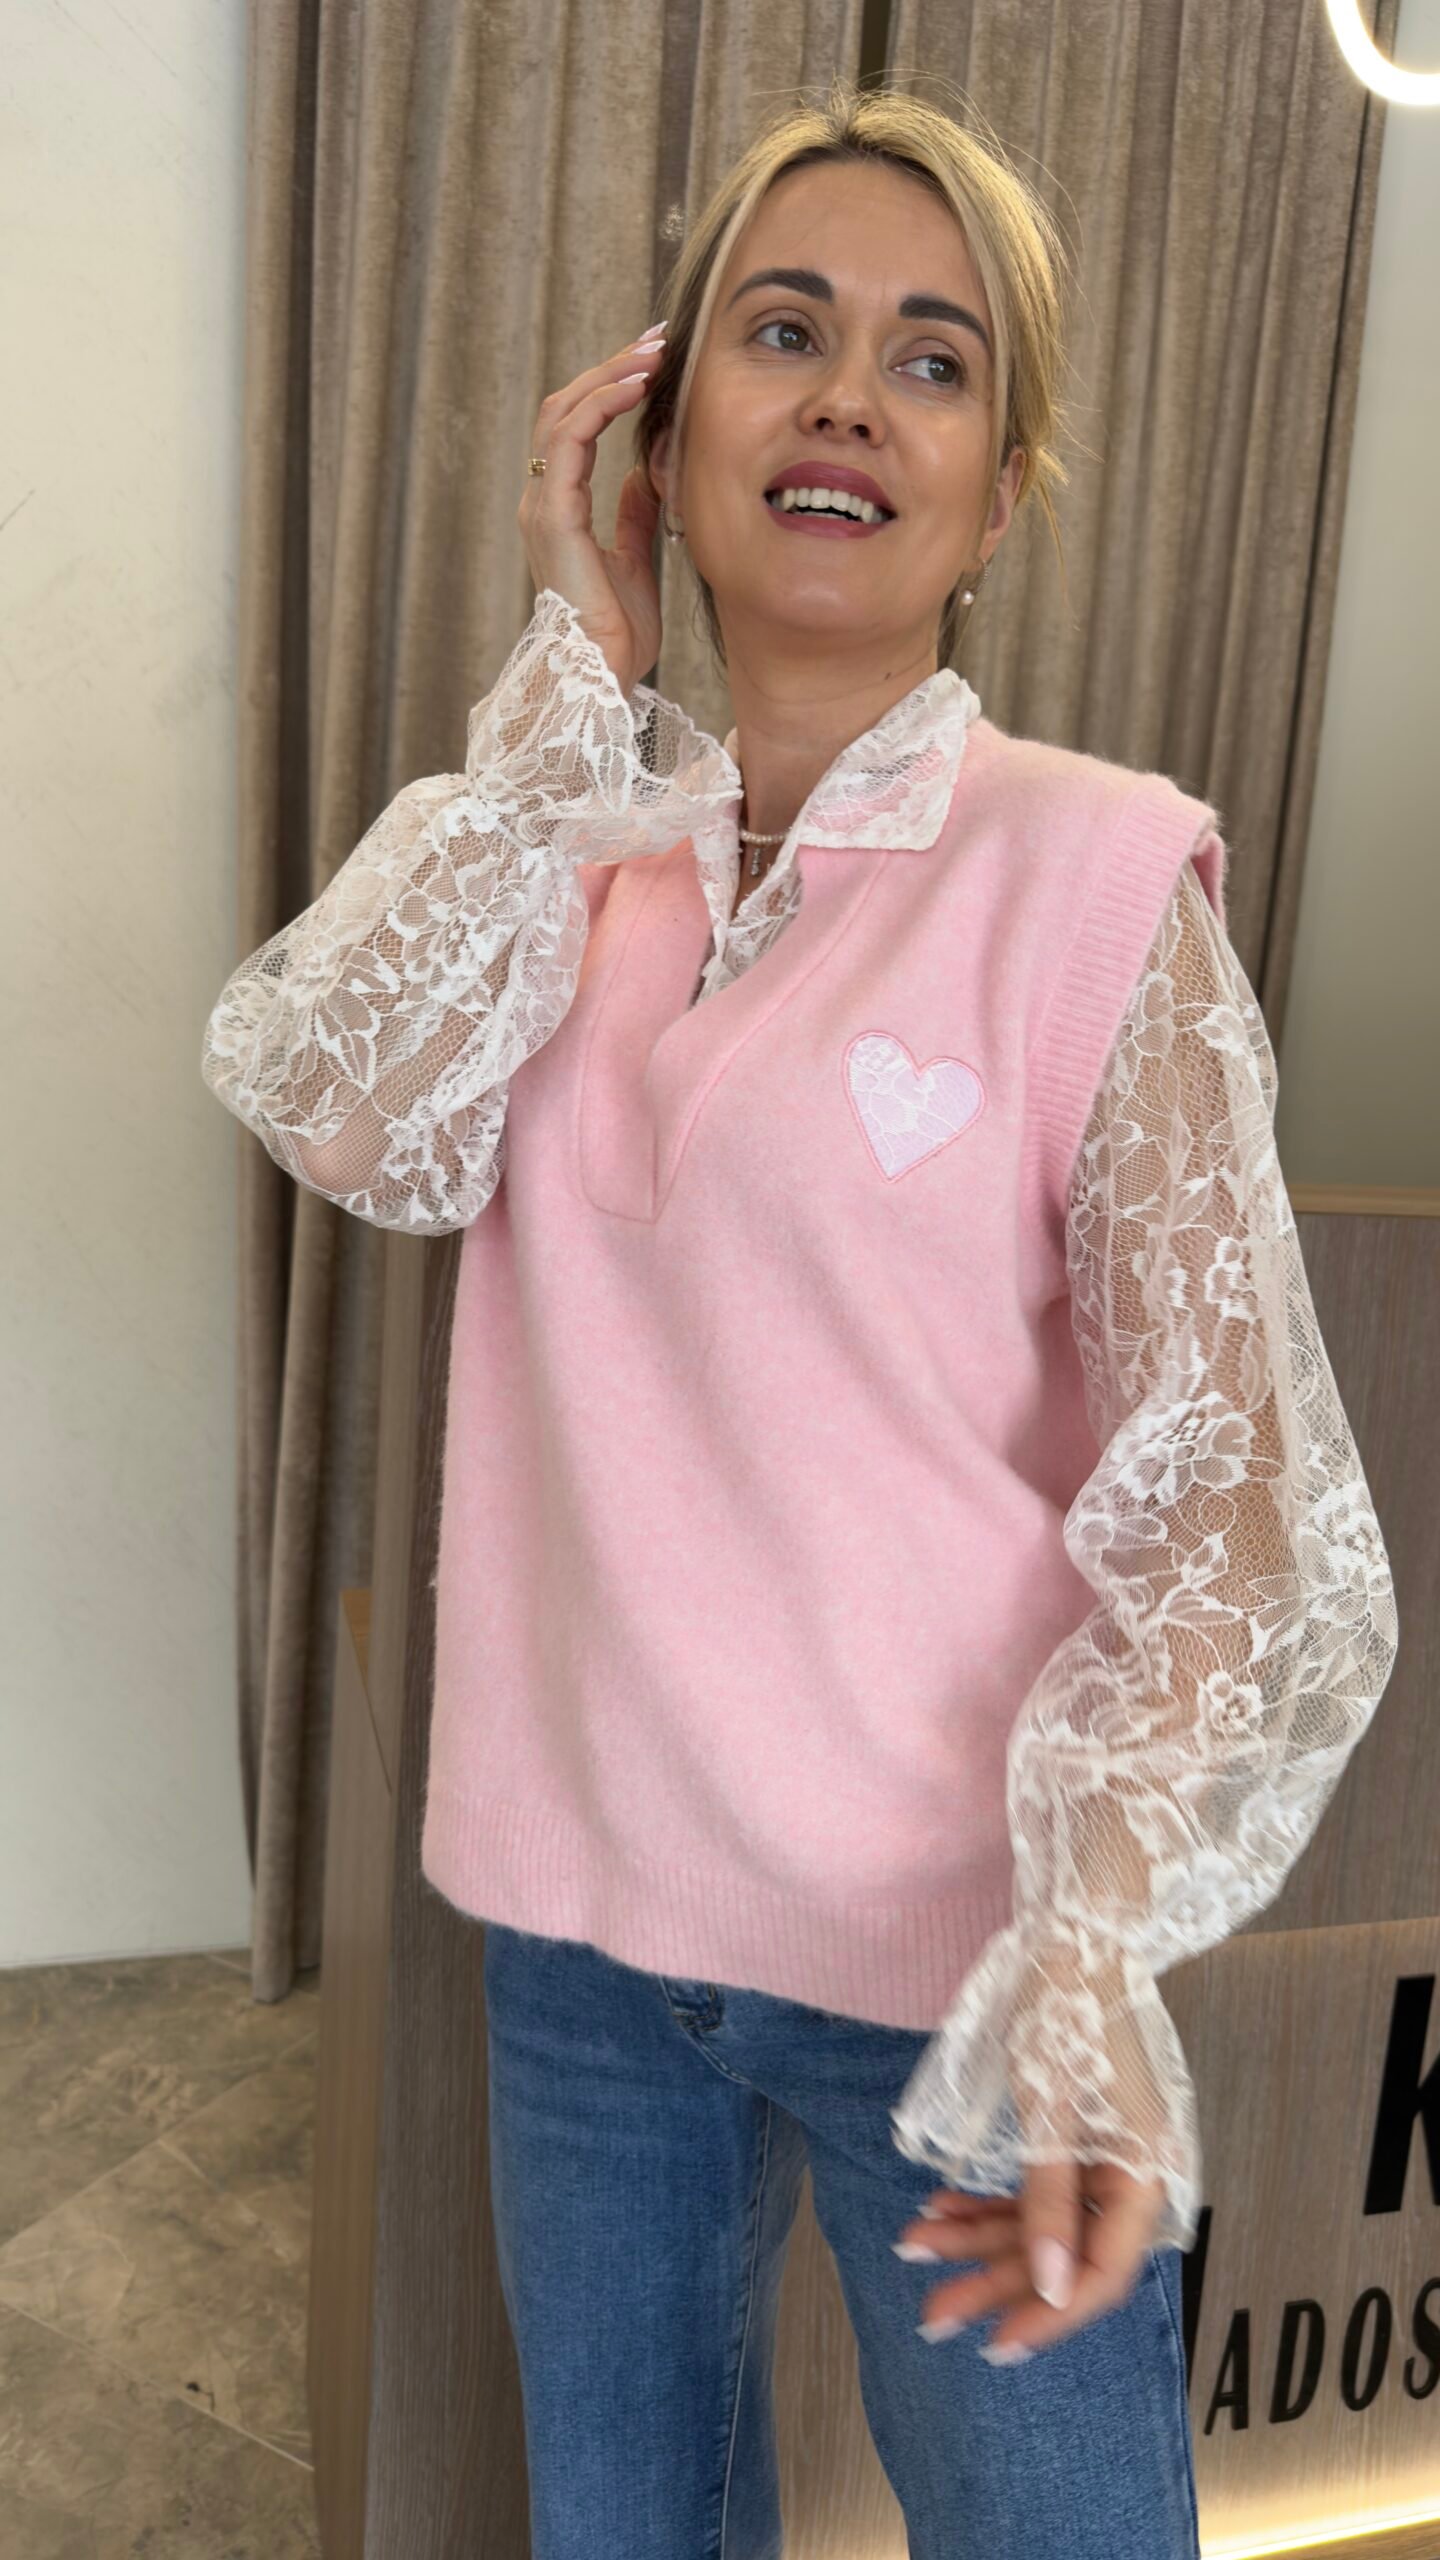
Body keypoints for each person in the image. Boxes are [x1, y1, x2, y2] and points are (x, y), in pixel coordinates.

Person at [202, 77, 1398, 2560]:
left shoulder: (1097, 877)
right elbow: (337, 1105)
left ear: (1000, 486)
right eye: (785, 330)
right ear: (664, 427)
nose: (852, 395)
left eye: (933, 360)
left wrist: (1088, 1956)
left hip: (954, 1960)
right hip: (578, 1937)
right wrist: (578, 661)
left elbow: (1235, 1488)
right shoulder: (567, 866)